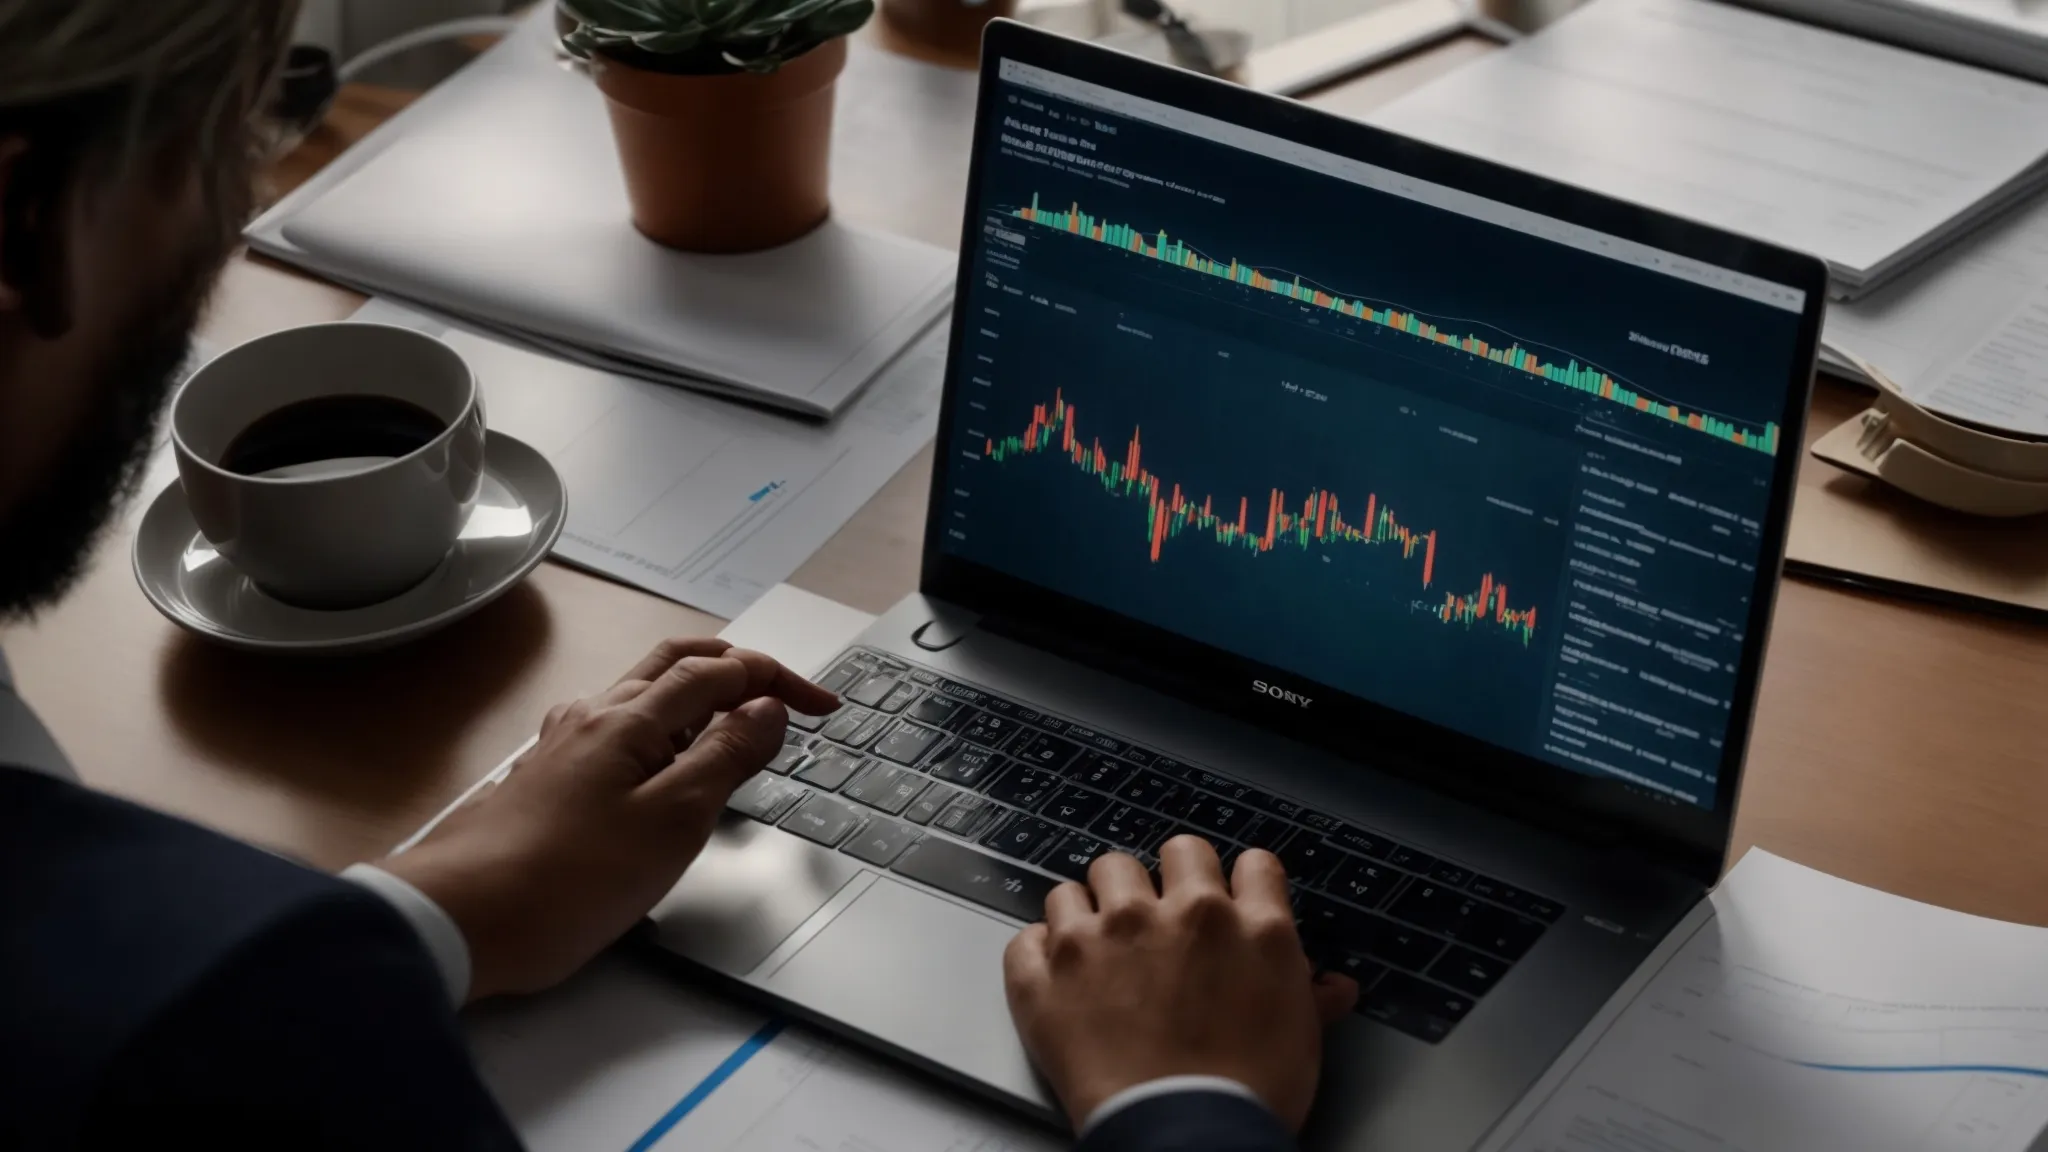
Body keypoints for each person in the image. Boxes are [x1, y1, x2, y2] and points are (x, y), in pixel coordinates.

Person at [0, 2, 1357, 1148]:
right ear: (23, 220)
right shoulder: (215, 1020)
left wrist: (431, 914)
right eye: (242, 130)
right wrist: (1184, 1105)